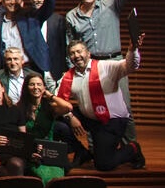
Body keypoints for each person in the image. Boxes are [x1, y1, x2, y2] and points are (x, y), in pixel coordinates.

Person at [56, 37, 146, 171]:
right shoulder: (68, 77)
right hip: (90, 118)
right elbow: (57, 101)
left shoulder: (106, 67)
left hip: (111, 121)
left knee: (104, 164)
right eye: (73, 53)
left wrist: (132, 50)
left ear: (88, 53)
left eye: (79, 51)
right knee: (57, 121)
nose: (76, 56)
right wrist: (70, 116)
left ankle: (133, 149)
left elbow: (130, 65)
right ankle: (81, 152)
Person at [19, 72, 71, 184]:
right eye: (32, 84)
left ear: (44, 87)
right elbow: (21, 137)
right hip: (31, 153)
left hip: (50, 152)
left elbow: (68, 107)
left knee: (57, 178)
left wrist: (50, 95)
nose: (35, 87)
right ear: (26, 87)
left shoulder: (50, 107)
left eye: (39, 84)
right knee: (43, 178)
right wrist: (30, 152)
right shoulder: (19, 108)